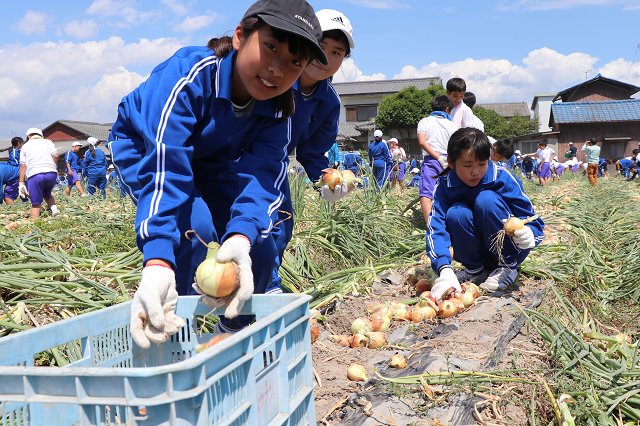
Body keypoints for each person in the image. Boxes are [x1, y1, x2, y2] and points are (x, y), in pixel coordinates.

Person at [106, 0, 328, 348]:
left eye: (294, 62)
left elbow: (263, 179)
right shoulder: (189, 76)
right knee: (196, 229)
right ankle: (175, 329)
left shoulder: (279, 108)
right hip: (145, 149)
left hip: (212, 161)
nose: (277, 68)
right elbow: (167, 167)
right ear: (240, 36)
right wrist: (158, 258)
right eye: (270, 47)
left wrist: (240, 237)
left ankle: (235, 332)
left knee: (259, 245)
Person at [265, 8, 355, 299]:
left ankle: (266, 288)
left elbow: (313, 153)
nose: (325, 57)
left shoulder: (328, 102)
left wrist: (325, 180)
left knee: (282, 222)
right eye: (319, 45)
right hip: (240, 162)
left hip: (274, 167)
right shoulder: (271, 79)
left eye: (337, 52)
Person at [426, 128, 544, 301]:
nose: (476, 172)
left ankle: (507, 267)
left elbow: (532, 218)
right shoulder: (445, 185)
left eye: (482, 164)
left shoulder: (501, 177)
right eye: (467, 166)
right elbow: (436, 227)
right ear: (451, 162)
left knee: (486, 199)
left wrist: (531, 234)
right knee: (456, 213)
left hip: (509, 251)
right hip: (475, 255)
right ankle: (475, 271)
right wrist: (444, 269)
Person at [417, 94, 458, 222]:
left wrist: (438, 157)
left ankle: (431, 226)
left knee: (426, 193)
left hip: (431, 160)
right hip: (449, 162)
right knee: (450, 193)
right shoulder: (452, 125)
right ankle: (448, 223)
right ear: (447, 109)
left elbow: (423, 142)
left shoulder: (425, 121)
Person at [18, 128, 61, 219]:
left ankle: (34, 223)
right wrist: (54, 167)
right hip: (51, 173)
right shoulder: (48, 142)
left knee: (36, 204)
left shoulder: (25, 146)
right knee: (46, 194)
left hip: (36, 174)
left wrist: (21, 183)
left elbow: (22, 166)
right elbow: (56, 155)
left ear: (28, 136)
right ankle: (54, 209)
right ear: (42, 136)